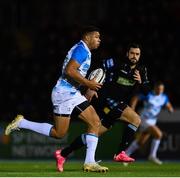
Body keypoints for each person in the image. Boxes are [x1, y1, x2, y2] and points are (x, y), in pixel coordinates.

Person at [5, 25, 109, 173]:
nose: (99, 40)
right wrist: (89, 83)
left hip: (72, 93)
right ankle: (23, 123)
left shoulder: (83, 50)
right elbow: (70, 70)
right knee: (59, 133)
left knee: (95, 122)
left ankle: (90, 162)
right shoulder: (81, 49)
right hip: (64, 94)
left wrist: (87, 89)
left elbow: (73, 73)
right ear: (87, 37)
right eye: (97, 37)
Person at [54, 43, 150, 171]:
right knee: (136, 119)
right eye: (132, 53)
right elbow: (100, 67)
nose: (134, 56)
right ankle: (121, 153)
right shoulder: (117, 63)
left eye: (137, 54)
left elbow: (147, 92)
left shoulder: (141, 70)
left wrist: (141, 82)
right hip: (108, 100)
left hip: (120, 105)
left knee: (93, 134)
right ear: (127, 54)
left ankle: (63, 153)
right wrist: (91, 87)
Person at [125, 81, 174, 165]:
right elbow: (136, 97)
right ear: (155, 88)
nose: (160, 91)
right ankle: (152, 156)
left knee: (140, 142)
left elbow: (167, 104)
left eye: (161, 89)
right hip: (144, 120)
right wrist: (132, 109)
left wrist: (170, 109)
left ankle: (125, 155)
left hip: (153, 121)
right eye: (158, 89)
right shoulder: (149, 95)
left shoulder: (164, 97)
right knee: (158, 134)